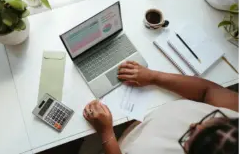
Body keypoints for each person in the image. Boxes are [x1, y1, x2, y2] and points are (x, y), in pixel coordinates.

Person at [83, 61, 241, 154]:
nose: (193, 125)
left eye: (189, 139)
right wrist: (154, 77)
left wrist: (106, 133)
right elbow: (208, 91)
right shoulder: (237, 111)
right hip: (139, 122)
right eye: (213, 119)